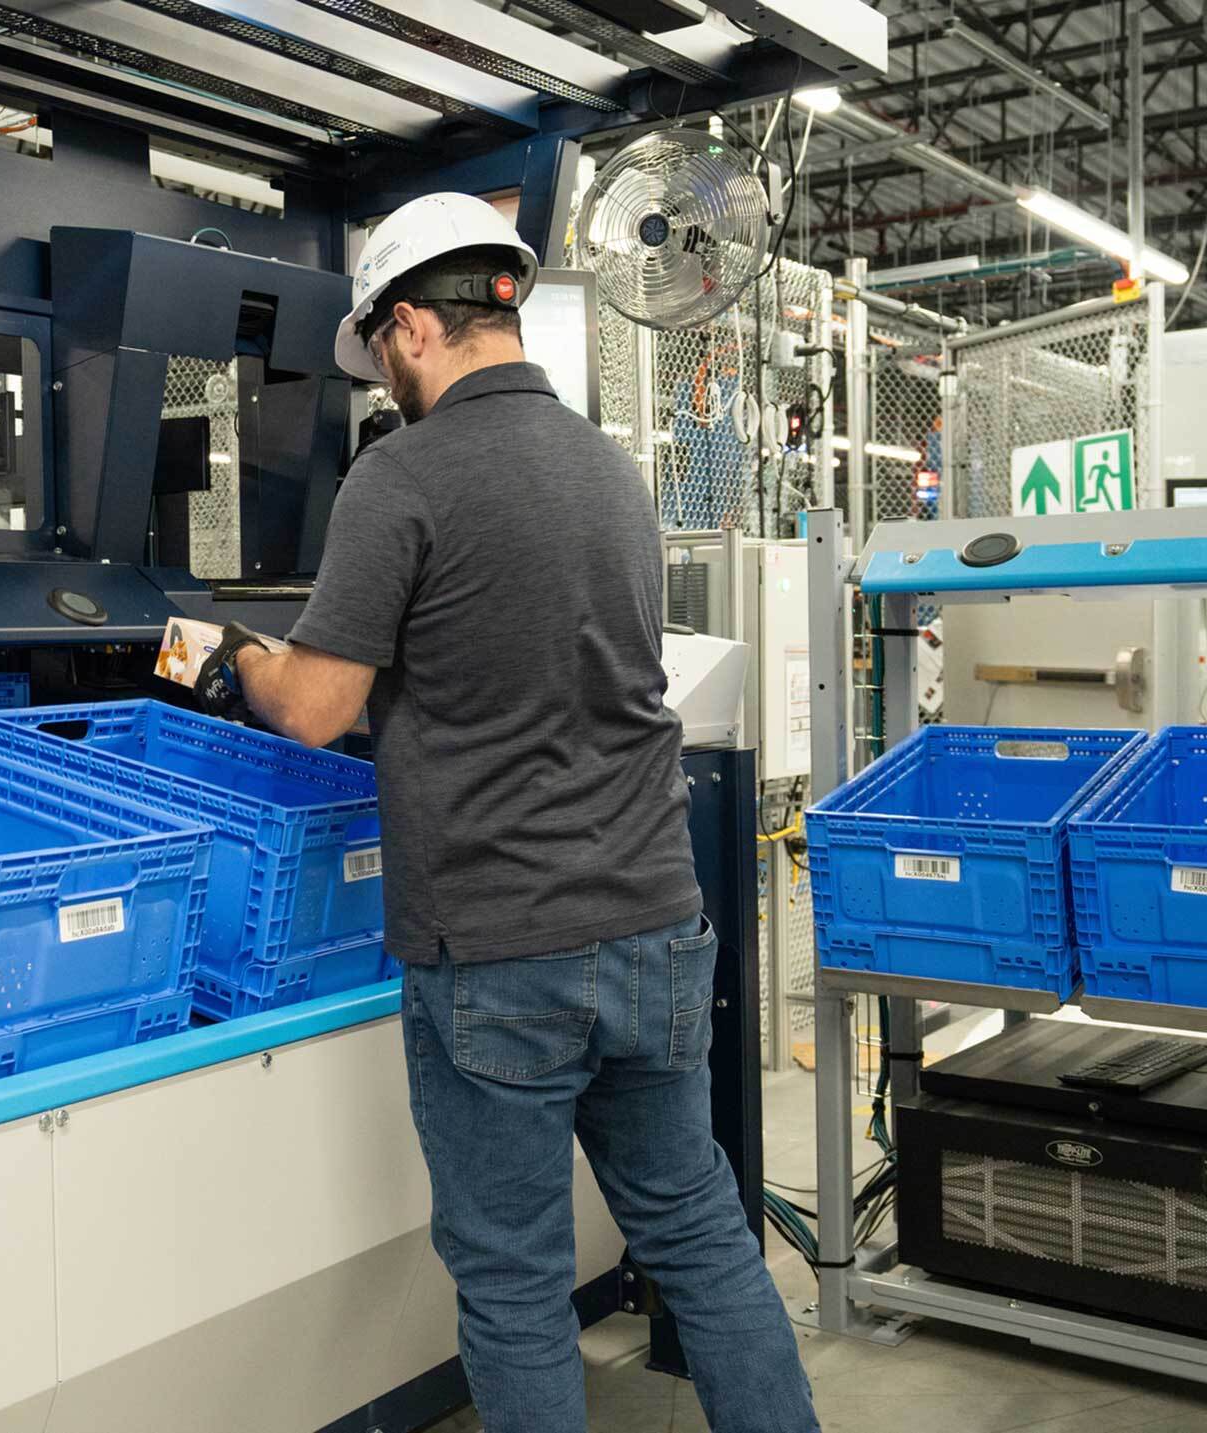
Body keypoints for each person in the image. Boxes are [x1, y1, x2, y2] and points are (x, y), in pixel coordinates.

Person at [195, 193, 818, 1433]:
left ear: (414, 323)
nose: (384, 377)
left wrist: (233, 660)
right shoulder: (609, 468)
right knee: (698, 1226)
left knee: (515, 1282)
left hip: (499, 953)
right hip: (654, 923)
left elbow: (318, 707)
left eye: (379, 349)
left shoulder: (402, 476)